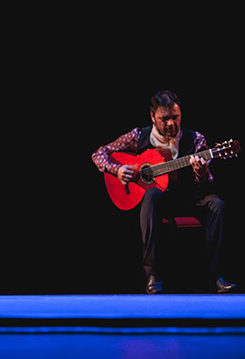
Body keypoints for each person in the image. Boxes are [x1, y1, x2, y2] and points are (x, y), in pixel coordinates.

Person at [92, 90, 237, 293]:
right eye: (164, 119)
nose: (170, 124)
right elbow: (99, 154)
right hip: (158, 200)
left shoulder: (196, 140)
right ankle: (153, 276)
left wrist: (202, 174)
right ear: (152, 117)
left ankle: (217, 276)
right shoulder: (137, 136)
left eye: (175, 117)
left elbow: (207, 186)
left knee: (217, 204)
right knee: (151, 195)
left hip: (189, 196)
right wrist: (117, 170)